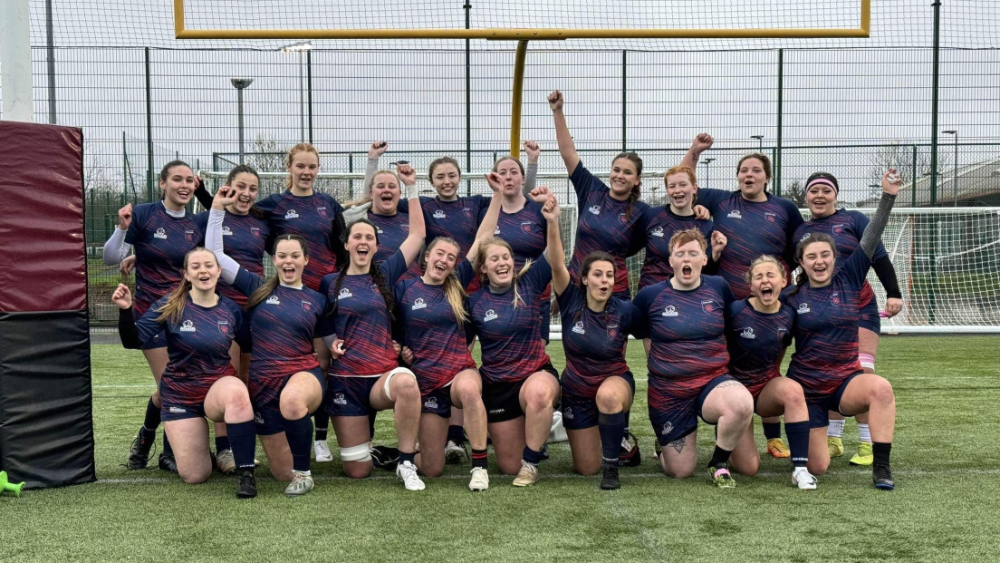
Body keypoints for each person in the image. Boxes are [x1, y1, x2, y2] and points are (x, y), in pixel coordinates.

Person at [206, 187, 331, 497]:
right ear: (274, 259)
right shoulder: (257, 287)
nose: (288, 261)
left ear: (305, 260)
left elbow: (325, 343)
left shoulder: (317, 299)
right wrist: (217, 209)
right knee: (279, 474)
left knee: (292, 401)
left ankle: (304, 473)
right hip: (263, 383)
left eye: (295, 256)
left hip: (303, 374)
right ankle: (293, 468)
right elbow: (217, 256)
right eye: (282, 255)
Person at [782, 170, 902, 490]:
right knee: (818, 466)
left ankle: (879, 463)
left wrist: (888, 196)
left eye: (825, 255)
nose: (819, 261)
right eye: (812, 256)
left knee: (878, 385)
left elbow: (871, 239)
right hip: (808, 391)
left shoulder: (849, 278)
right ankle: (821, 436)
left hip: (842, 381)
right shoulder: (790, 298)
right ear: (800, 261)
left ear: (836, 258)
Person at [690, 137, 805, 459]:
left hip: (771, 305)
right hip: (731, 305)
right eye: (743, 170)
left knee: (770, 364)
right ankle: (731, 420)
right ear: (737, 176)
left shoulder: (783, 208)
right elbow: (684, 182)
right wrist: (696, 152)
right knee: (729, 364)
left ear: (767, 177)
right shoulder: (723, 201)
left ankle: (773, 436)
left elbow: (799, 248)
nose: (749, 175)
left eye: (756, 170)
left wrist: (786, 278)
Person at [111, 249, 258, 498]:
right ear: (186, 274)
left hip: (216, 389)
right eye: (196, 266)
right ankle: (175, 451)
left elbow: (249, 345)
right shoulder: (170, 305)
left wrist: (245, 380)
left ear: (219, 271)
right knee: (196, 475)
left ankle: (246, 474)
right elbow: (132, 340)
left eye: (209, 265)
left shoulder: (232, 310)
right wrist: (126, 310)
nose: (204, 271)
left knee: (236, 392)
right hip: (181, 395)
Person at [317, 163, 428, 491]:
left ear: (376, 246)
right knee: (357, 471)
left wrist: (412, 188)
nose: (363, 241)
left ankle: (406, 463)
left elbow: (418, 235)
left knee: (408, 384)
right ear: (347, 244)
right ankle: (378, 453)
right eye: (357, 237)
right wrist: (331, 340)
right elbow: (322, 320)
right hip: (345, 382)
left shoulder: (387, 273)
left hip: (381, 378)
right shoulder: (328, 282)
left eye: (369, 237)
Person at [394, 178, 502, 490]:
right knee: (432, 468)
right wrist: (400, 347)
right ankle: (399, 457)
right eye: (439, 254)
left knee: (470, 391)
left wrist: (496, 196)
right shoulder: (404, 287)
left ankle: (479, 467)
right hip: (426, 382)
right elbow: (392, 330)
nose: (444, 260)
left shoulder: (456, 283)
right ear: (426, 257)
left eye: (451, 258)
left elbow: (483, 237)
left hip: (458, 372)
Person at [632, 228, 754, 488]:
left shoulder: (719, 287)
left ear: (704, 259)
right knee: (681, 471)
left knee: (742, 403)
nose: (686, 259)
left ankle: (718, 463)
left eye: (693, 253)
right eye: (680, 254)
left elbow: (733, 328)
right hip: (669, 391)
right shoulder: (649, 296)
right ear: (671, 261)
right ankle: (664, 444)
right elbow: (646, 338)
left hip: (712, 381)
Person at [104, 160, 204, 473]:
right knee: (172, 382)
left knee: (172, 385)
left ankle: (146, 436)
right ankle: (170, 453)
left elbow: (197, 262)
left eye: (189, 180)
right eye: (177, 179)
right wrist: (122, 229)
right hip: (150, 315)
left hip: (188, 314)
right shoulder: (145, 214)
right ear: (163, 183)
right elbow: (109, 257)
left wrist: (141, 255)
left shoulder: (197, 223)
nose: (184, 185)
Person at [468, 194, 563, 487]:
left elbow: (555, 258)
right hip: (498, 386)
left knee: (537, 396)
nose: (502, 263)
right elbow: (463, 345)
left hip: (535, 374)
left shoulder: (530, 283)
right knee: (508, 465)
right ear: (483, 268)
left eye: (506, 258)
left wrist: (553, 222)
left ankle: (532, 462)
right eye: (494, 259)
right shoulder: (474, 302)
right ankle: (548, 425)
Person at [549, 226, 639, 489]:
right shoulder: (570, 302)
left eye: (609, 276)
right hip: (576, 392)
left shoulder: (624, 310)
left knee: (608, 397)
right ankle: (612, 437)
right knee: (587, 468)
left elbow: (653, 333)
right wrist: (553, 221)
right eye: (598, 275)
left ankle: (612, 467)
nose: (605, 281)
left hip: (614, 382)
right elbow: (556, 264)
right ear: (585, 279)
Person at [192, 165, 269, 473]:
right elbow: (185, 254)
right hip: (220, 309)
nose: (246, 193)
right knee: (227, 378)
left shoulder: (263, 222)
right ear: (227, 187)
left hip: (255, 306)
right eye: (240, 186)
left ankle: (246, 443)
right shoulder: (207, 218)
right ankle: (225, 450)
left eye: (252, 188)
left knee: (248, 380)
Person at [725, 256, 817, 490]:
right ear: (751, 286)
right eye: (759, 276)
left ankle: (800, 470)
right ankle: (727, 437)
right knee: (749, 469)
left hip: (765, 388)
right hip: (735, 393)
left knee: (793, 389)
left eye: (770, 275)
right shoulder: (735, 311)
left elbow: (783, 347)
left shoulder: (789, 315)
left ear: (784, 281)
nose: (765, 280)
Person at [638, 165, 721, 290]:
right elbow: (631, 246)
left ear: (694, 188)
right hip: (651, 294)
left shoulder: (706, 226)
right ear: (667, 190)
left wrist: (715, 254)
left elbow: (707, 270)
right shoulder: (652, 216)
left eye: (683, 185)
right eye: (672, 186)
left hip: (686, 298)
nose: (677, 190)